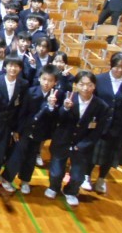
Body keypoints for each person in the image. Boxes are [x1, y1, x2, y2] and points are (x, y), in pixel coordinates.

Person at [46, 71, 110, 207]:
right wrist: (65, 108)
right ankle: (54, 187)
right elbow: (56, 119)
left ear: (94, 86)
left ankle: (71, 191)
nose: (85, 88)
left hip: (82, 145)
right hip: (62, 141)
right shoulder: (66, 97)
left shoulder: (101, 106)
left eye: (89, 85)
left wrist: (82, 145)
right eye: (82, 84)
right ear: (76, 85)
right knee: (56, 172)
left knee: (77, 176)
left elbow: (98, 131)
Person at [83, 52, 122, 194]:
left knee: (110, 156)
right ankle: (86, 176)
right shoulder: (99, 79)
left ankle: (101, 179)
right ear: (111, 65)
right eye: (117, 66)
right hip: (100, 124)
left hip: (119, 126)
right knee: (93, 153)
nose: (120, 70)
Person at [0, 65, 61, 194]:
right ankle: (6, 178)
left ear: (55, 82)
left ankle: (25, 180)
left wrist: (51, 106)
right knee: (17, 155)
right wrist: (17, 130)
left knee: (31, 157)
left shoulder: (57, 96)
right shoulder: (31, 92)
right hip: (25, 130)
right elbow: (22, 112)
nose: (46, 83)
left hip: (40, 132)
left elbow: (55, 118)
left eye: (50, 80)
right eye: (44, 79)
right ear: (39, 78)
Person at [0, 55, 28, 188]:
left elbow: (21, 107)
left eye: (16, 66)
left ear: (20, 68)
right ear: (5, 67)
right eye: (10, 65)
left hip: (8, 125)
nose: (13, 68)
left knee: (0, 154)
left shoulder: (23, 84)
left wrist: (16, 128)